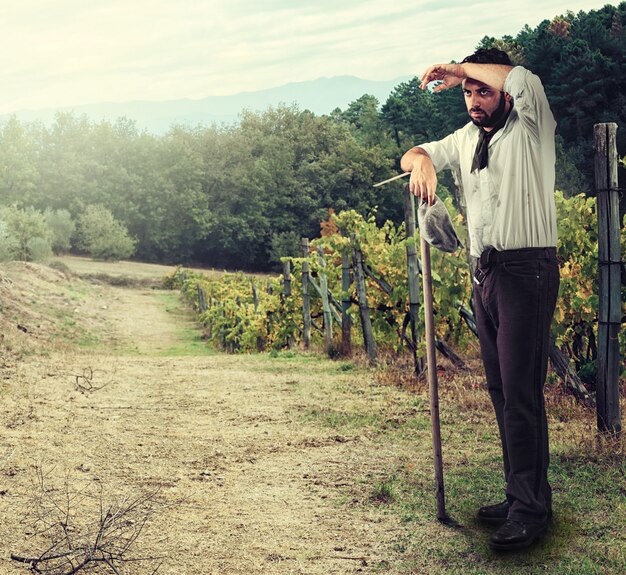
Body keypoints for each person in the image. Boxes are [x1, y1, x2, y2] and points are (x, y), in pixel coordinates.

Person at [400, 48, 560, 551]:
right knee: (499, 391)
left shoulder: (532, 122)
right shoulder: (468, 138)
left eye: (481, 89)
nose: (472, 99)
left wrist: (459, 68)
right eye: (467, 92)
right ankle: (521, 496)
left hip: (526, 270)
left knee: (521, 394)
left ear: (503, 90)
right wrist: (422, 162)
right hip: (485, 273)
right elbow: (412, 154)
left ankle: (531, 510)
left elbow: (522, 76)